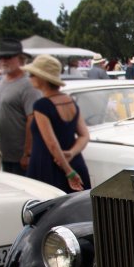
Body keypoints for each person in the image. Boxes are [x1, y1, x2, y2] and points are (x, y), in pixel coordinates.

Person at [23, 54, 91, 193]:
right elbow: (84, 136)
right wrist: (71, 153)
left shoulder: (42, 105)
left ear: (42, 77)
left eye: (32, 74)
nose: (30, 77)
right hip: (75, 162)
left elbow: (52, 144)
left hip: (49, 168)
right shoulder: (69, 100)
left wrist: (69, 172)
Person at [0, 39, 41, 175]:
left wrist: (28, 153)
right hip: (3, 152)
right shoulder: (4, 80)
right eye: (1, 57)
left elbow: (32, 119)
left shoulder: (28, 85)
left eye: (8, 57)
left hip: (19, 156)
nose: (3, 61)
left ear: (20, 59)